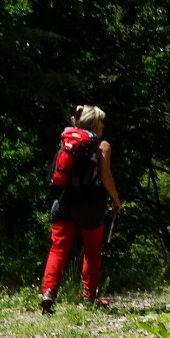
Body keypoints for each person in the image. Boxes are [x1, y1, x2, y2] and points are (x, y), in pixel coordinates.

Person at [40, 105, 121, 313]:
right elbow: (105, 176)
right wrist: (115, 199)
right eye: (101, 121)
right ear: (95, 123)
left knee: (58, 250)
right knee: (92, 252)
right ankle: (89, 296)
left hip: (63, 203)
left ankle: (48, 293)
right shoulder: (101, 145)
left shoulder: (68, 139)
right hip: (89, 207)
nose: (103, 125)